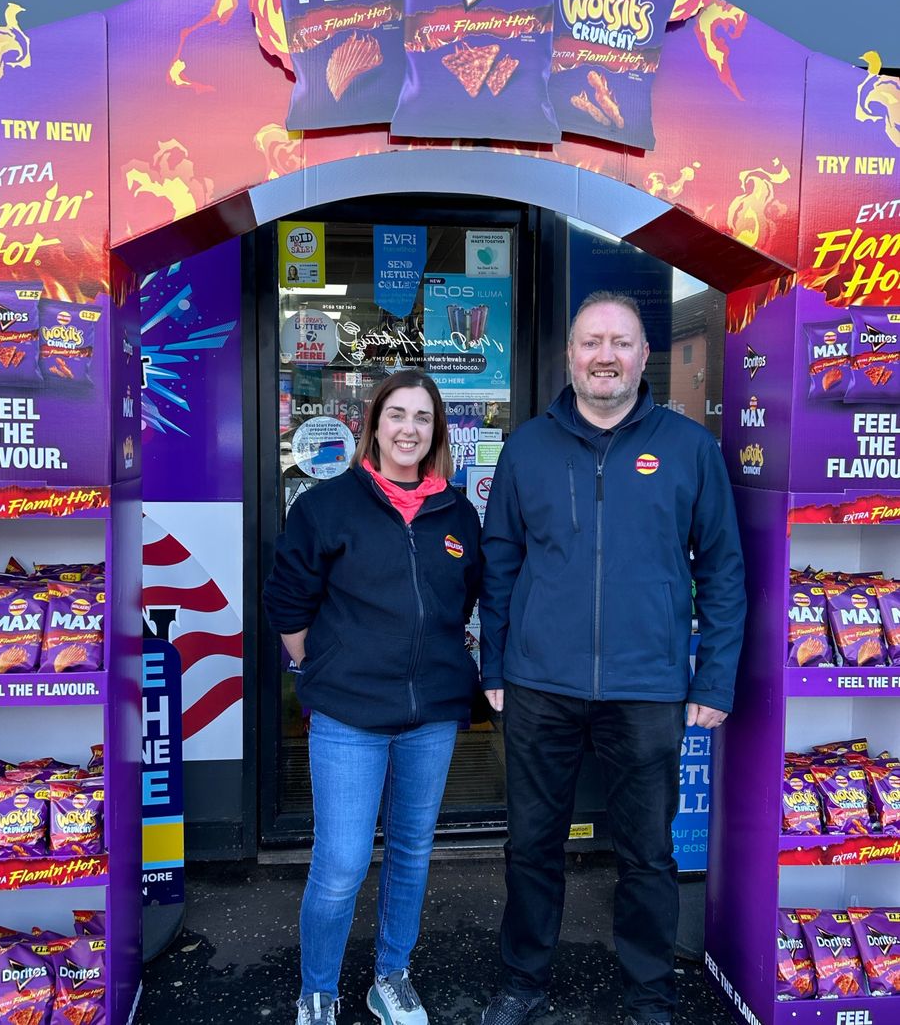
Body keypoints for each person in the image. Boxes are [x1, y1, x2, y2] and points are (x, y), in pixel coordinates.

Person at [478, 292, 745, 1025]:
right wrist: (495, 668)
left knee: (647, 854)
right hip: (539, 685)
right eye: (592, 342)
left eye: (621, 343)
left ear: (641, 356)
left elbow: (722, 569)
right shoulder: (528, 446)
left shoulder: (689, 449)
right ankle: (523, 982)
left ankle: (650, 994)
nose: (606, 356)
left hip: (648, 686)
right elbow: (499, 561)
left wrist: (713, 675)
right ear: (570, 355)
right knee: (532, 844)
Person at [264, 370, 482, 1025]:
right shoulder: (328, 507)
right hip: (349, 717)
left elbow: (462, 600)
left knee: (412, 852)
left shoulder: (458, 514)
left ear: (435, 431)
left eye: (422, 417)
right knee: (341, 863)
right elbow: (287, 603)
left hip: (431, 716)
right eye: (397, 415)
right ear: (374, 425)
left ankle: (391, 976)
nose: (409, 429)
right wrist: (323, 668)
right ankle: (318, 991)